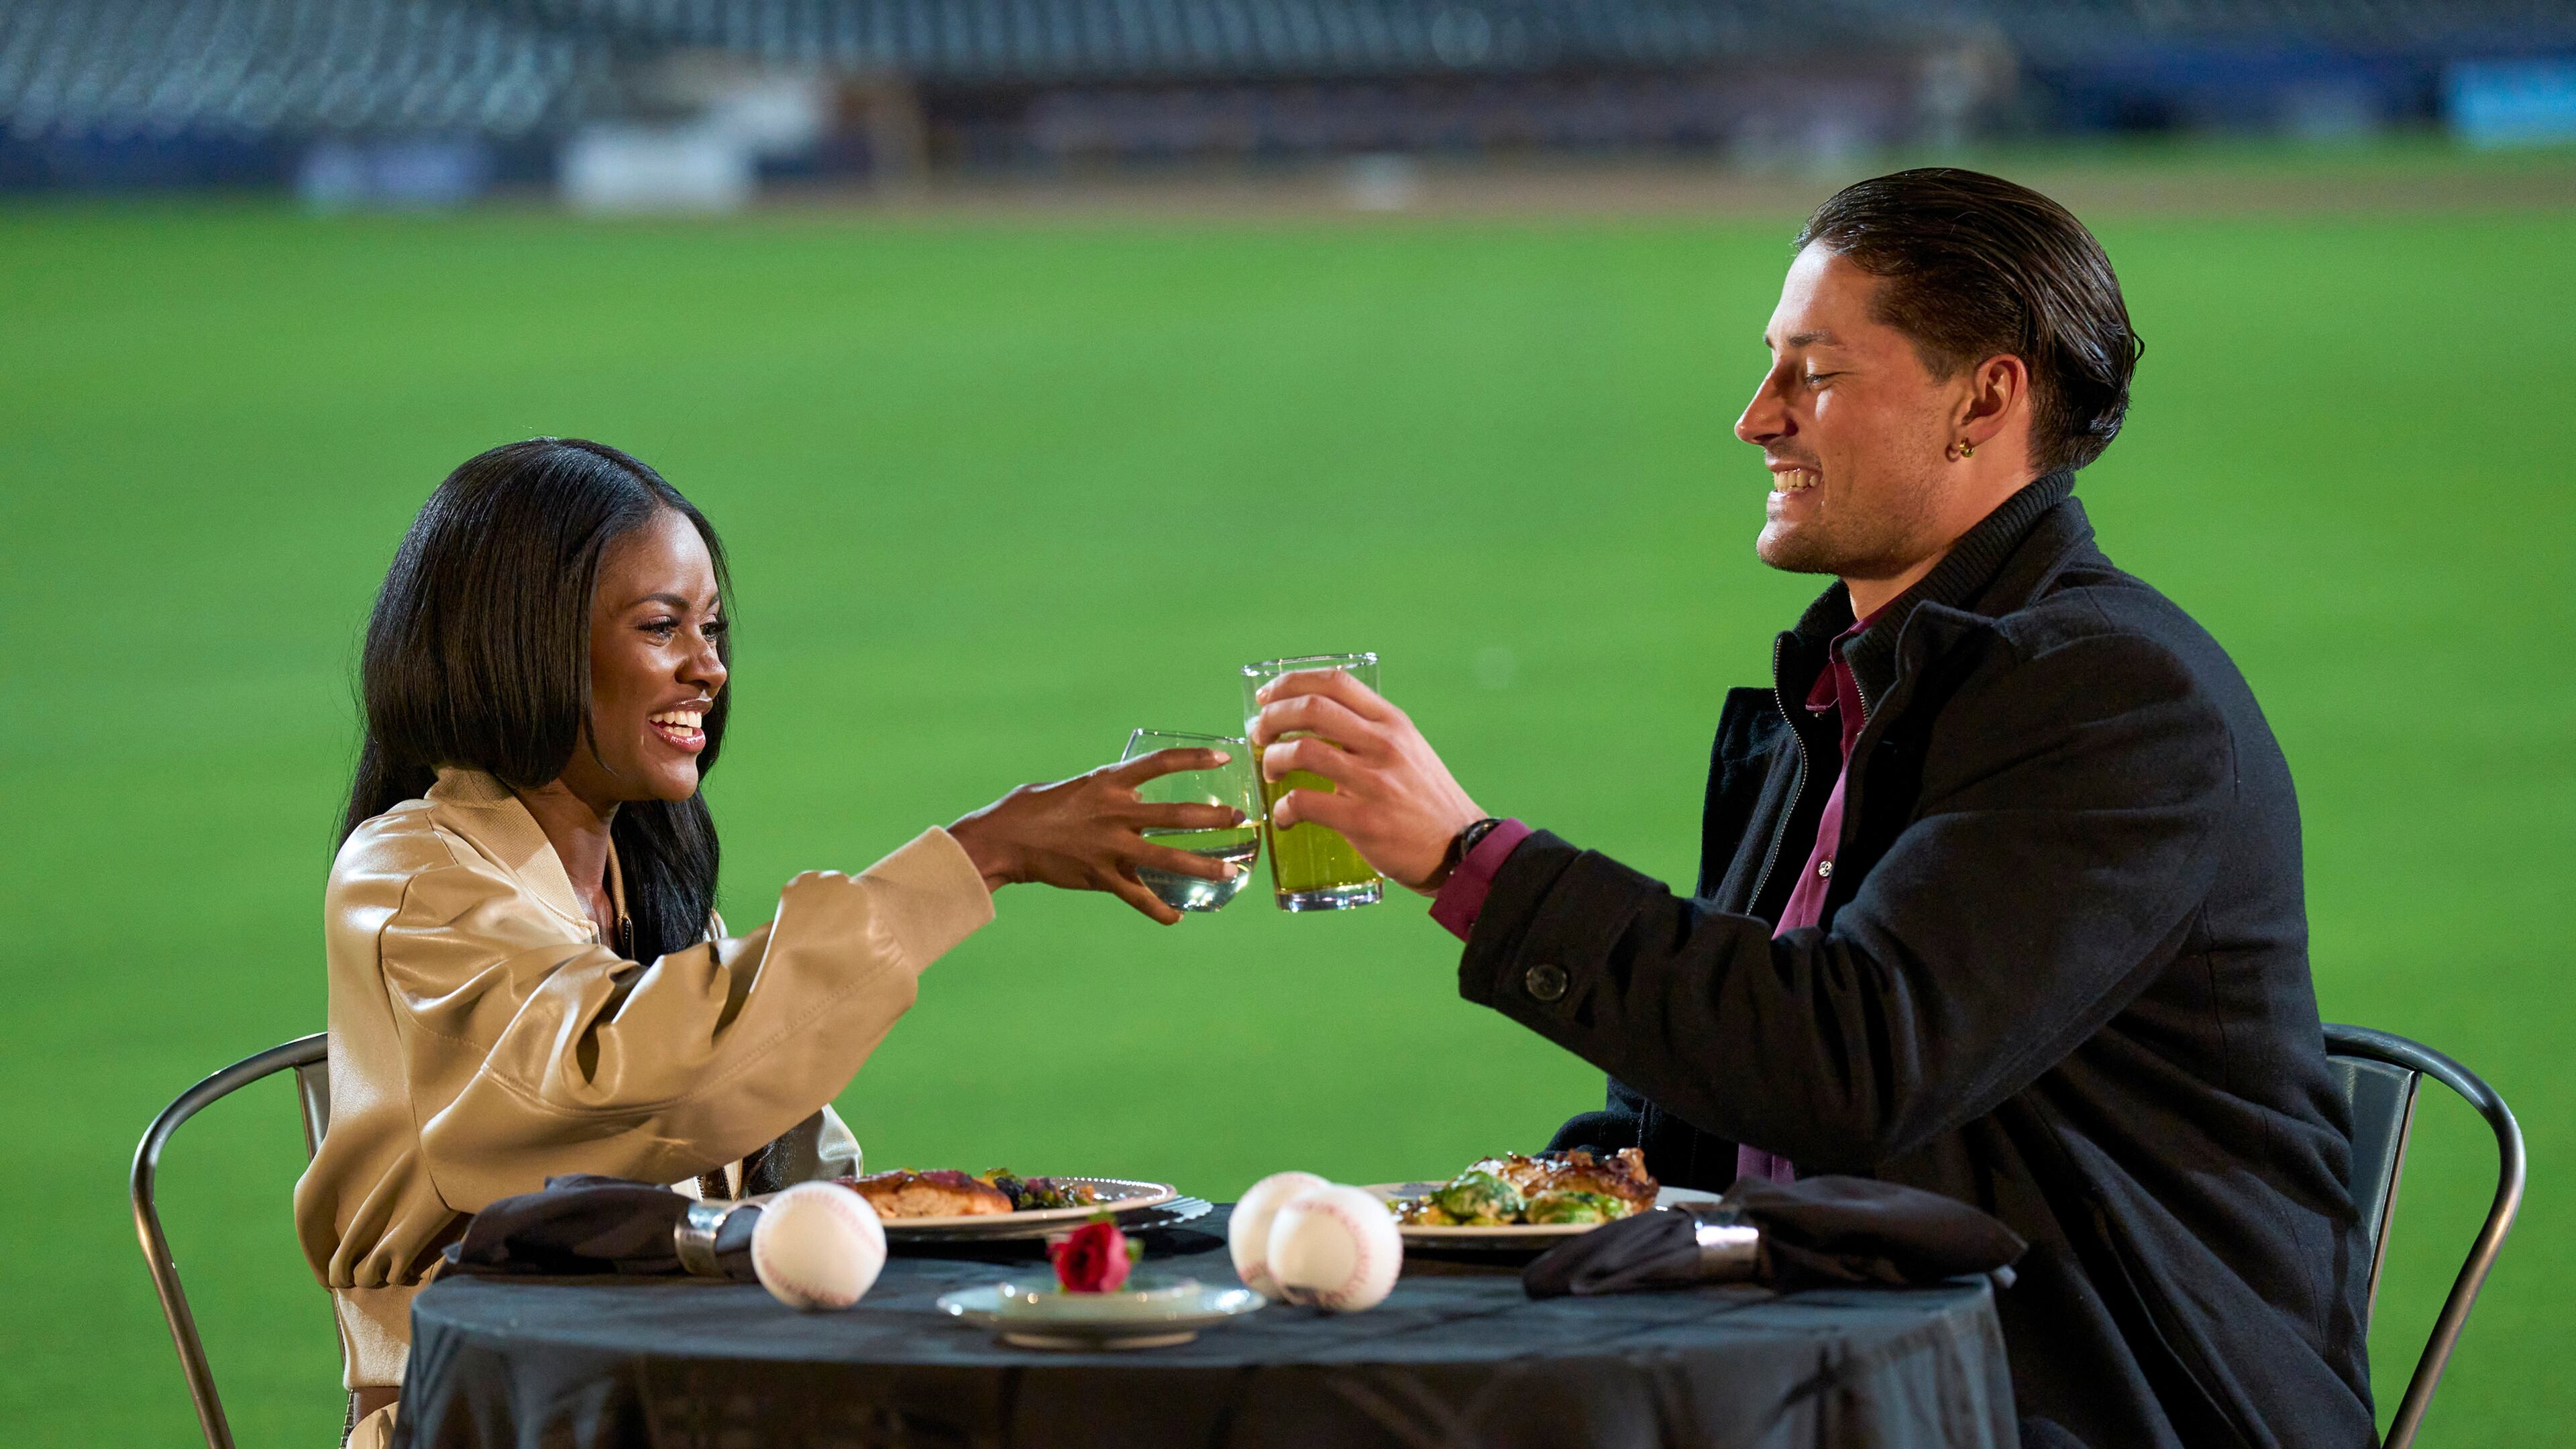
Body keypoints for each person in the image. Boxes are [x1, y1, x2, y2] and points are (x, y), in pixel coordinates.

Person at [1248, 170, 2373, 1448]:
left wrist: (1474, 861)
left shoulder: (2115, 700)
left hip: (2084, 1399)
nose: (1755, 419)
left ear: (1985, 399)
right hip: (1835, 1362)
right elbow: (1715, 1089)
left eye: (1814, 373)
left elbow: (1853, 1064)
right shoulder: (1857, 677)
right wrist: (1514, 1204)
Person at [296, 438, 1244, 1448]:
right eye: (663, 628)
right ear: (521, 641)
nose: (709, 668)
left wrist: (955, 1214)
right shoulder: (409, 874)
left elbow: (776, 1153)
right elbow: (631, 1085)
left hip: (678, 1393)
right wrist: (979, 857)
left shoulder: (642, 878)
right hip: (500, 1415)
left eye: (711, 629)